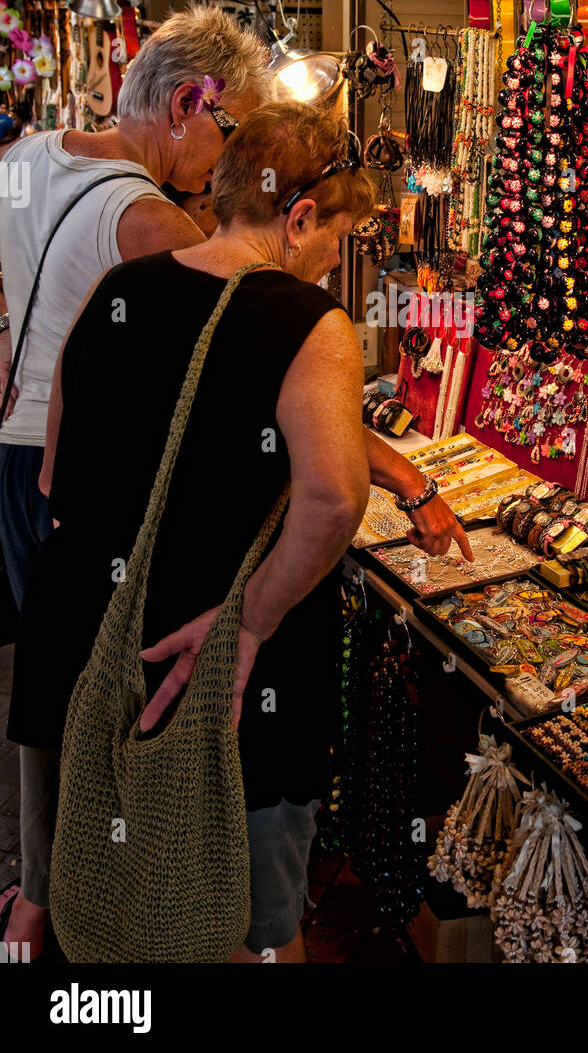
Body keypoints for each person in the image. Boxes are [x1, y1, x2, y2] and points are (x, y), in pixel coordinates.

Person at [6, 101, 469, 963]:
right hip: (213, 672)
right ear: (297, 219)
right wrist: (252, 618)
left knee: (85, 886)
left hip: (77, 642)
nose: (335, 259)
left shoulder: (119, 288)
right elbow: (333, 499)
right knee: (249, 927)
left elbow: (51, 473)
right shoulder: (305, 322)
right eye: (336, 238)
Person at [0, 4, 274, 958]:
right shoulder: (148, 214)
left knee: (43, 666)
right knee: (98, 684)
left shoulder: (28, 156)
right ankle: (84, 896)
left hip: (13, 452)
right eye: (226, 131)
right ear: (189, 103)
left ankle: (38, 887)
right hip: (78, 468)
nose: (222, 164)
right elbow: (231, 329)